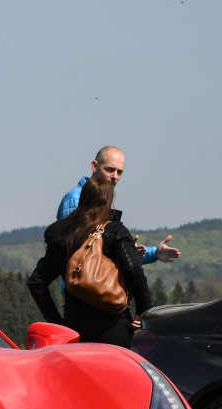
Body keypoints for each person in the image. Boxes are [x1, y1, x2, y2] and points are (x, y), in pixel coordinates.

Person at [28, 177, 152, 348]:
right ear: (108, 201)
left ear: (83, 198)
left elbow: (36, 283)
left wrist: (58, 324)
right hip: (114, 328)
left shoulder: (61, 235)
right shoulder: (115, 230)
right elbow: (134, 270)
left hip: (75, 331)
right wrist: (142, 310)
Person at [58, 146, 179, 265]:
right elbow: (80, 253)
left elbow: (104, 251)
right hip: (77, 283)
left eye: (119, 172)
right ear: (95, 166)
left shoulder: (101, 201)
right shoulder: (76, 200)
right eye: (110, 169)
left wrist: (153, 253)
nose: (115, 176)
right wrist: (127, 253)